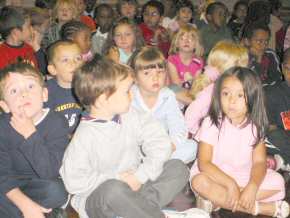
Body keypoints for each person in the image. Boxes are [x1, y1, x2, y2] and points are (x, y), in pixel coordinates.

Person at [59, 55, 190, 218]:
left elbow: (160, 143)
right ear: (102, 100)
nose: (132, 95)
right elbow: (73, 181)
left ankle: (138, 210)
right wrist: (118, 178)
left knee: (178, 168)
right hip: (100, 198)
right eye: (127, 91)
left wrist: (140, 176)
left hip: (136, 183)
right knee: (113, 190)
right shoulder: (84, 136)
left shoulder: (132, 115)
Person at [190, 67, 289, 217]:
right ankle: (258, 208)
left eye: (240, 95)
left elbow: (259, 163)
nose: (231, 101)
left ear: (252, 97)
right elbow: (204, 163)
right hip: (214, 175)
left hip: (242, 175)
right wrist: (230, 184)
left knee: (278, 183)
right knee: (199, 182)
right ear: (218, 95)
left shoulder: (256, 126)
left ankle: (218, 200)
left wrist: (252, 187)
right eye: (226, 93)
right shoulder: (211, 123)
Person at [0, 62, 69, 218]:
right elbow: (2, 174)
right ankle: (36, 211)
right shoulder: (2, 127)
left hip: (37, 184)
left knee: (57, 191)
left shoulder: (56, 123)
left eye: (30, 86)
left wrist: (30, 134)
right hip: (8, 188)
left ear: (44, 94)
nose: (23, 94)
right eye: (14, 90)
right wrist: (24, 203)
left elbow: (49, 172)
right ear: (5, 106)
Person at [130, 46, 197, 164]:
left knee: (192, 147)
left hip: (163, 146)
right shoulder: (129, 95)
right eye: (147, 73)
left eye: (160, 72)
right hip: (137, 148)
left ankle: (156, 166)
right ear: (135, 78)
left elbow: (178, 126)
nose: (155, 78)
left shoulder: (168, 96)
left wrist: (172, 146)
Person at [185, 41, 248, 137]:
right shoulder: (212, 90)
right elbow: (191, 115)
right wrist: (192, 135)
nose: (244, 71)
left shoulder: (239, 89)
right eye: (241, 67)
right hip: (208, 139)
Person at [46, 40, 83, 135]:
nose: (73, 63)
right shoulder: (44, 93)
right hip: (56, 141)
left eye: (78, 58)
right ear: (53, 69)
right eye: (65, 60)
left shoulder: (89, 87)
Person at [264, 48, 290, 166]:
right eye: (288, 69)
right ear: (282, 68)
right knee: (273, 136)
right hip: (281, 142)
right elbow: (270, 130)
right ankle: (281, 161)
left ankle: (282, 162)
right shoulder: (271, 94)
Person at [167, 25, 204, 105]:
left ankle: (195, 105)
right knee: (172, 88)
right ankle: (196, 105)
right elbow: (175, 83)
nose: (186, 41)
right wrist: (190, 81)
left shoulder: (198, 61)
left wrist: (192, 83)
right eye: (182, 38)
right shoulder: (172, 59)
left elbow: (197, 85)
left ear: (196, 45)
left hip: (191, 93)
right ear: (176, 43)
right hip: (175, 93)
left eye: (191, 39)